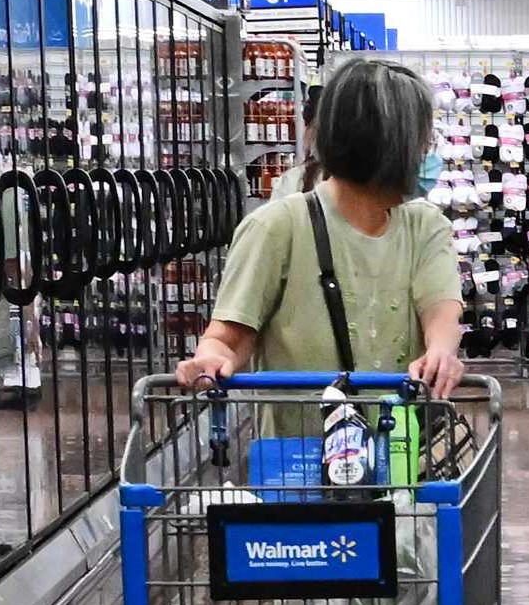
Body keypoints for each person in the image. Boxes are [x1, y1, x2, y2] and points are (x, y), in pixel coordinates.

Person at [170, 52, 468, 397]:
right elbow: (227, 337)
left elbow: (441, 312)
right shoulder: (276, 228)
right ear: (395, 146)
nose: (425, 154)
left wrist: (441, 353)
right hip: (301, 447)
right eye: (422, 140)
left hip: (403, 445)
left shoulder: (426, 227)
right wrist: (209, 359)